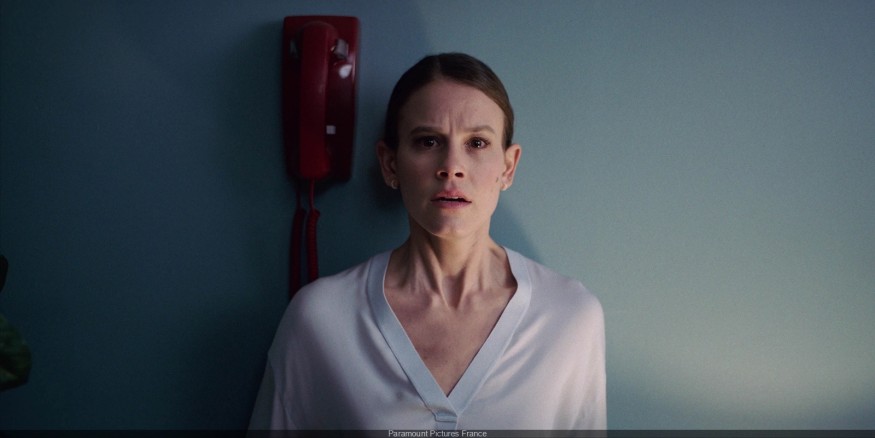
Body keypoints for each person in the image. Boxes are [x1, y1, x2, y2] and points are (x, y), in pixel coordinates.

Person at [249, 53, 606, 430]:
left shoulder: (569, 318)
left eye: (477, 143)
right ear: (390, 164)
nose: (452, 166)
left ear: (508, 166)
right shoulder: (321, 319)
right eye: (428, 141)